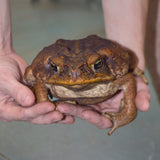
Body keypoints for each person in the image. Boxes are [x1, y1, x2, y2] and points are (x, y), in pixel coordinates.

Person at [0, 0, 150, 130]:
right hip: (55, 72)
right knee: (30, 75)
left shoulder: (114, 77)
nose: (74, 74)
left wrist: (127, 113)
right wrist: (2, 50)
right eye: (56, 66)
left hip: (106, 60)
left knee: (131, 58)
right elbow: (40, 81)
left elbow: (128, 79)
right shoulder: (49, 78)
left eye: (96, 64)